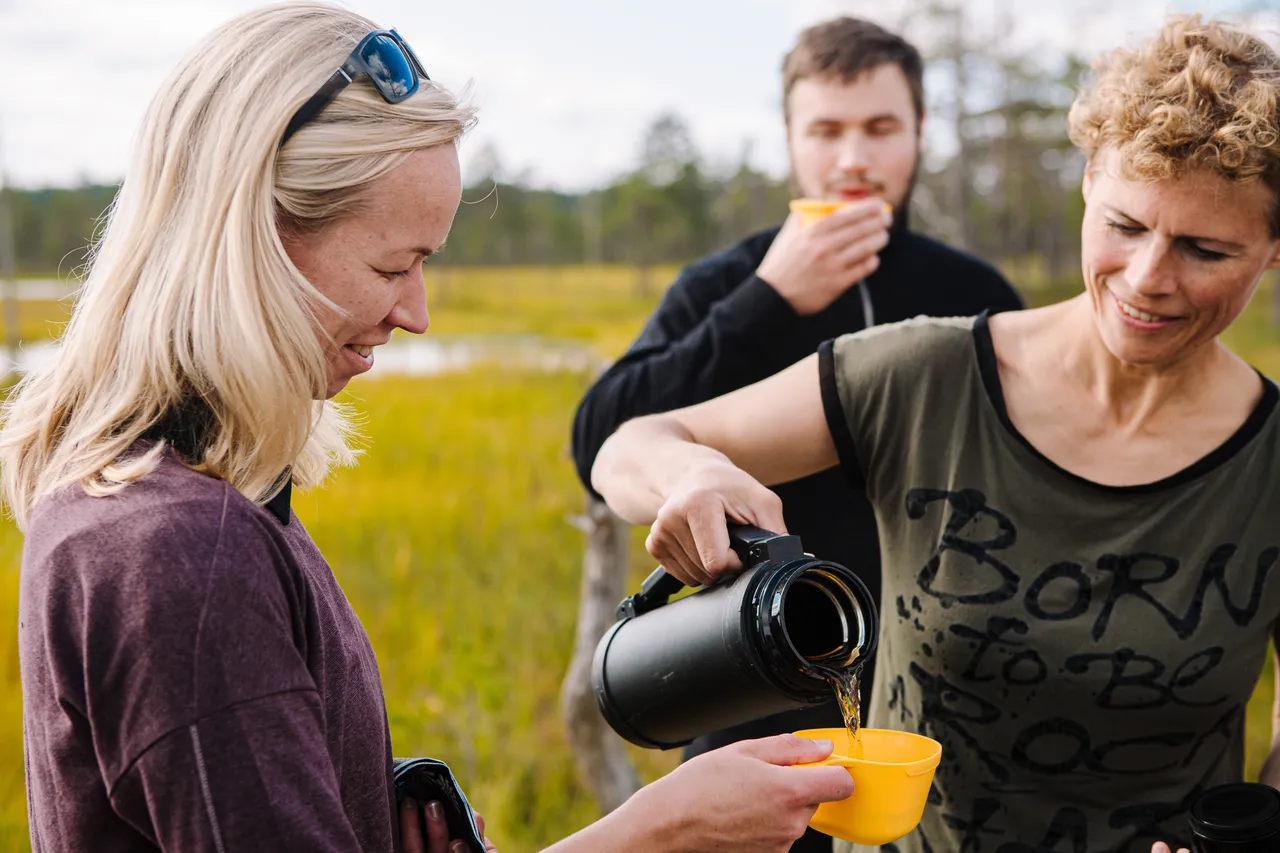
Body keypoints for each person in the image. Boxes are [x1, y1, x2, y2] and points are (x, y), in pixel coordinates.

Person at [2, 4, 856, 852]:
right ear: (251, 238)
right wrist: (660, 834)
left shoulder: (169, 496)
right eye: (391, 264)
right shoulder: (183, 552)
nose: (415, 313)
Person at [591, 14, 1280, 853]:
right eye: (1125, 227)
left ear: (1271, 249)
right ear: (1090, 181)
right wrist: (690, 471)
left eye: (1205, 249)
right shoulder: (923, 373)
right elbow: (627, 442)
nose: (1147, 279)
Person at [570, 22, 1021, 850]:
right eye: (826, 129)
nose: (853, 157)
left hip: (945, 705)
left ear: (920, 133)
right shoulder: (729, 283)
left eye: (880, 128)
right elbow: (598, 439)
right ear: (789, 139)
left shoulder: (973, 292)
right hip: (750, 690)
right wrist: (770, 298)